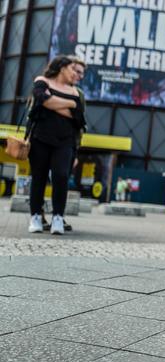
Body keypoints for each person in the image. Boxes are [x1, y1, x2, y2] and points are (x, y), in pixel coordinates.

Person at [27, 55, 86, 235]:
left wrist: (51, 102)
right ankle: (36, 216)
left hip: (65, 141)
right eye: (72, 70)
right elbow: (40, 99)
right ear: (62, 68)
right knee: (39, 177)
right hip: (40, 138)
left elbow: (78, 117)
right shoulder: (42, 81)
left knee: (61, 176)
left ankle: (58, 217)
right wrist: (67, 104)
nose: (75, 74)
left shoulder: (76, 92)